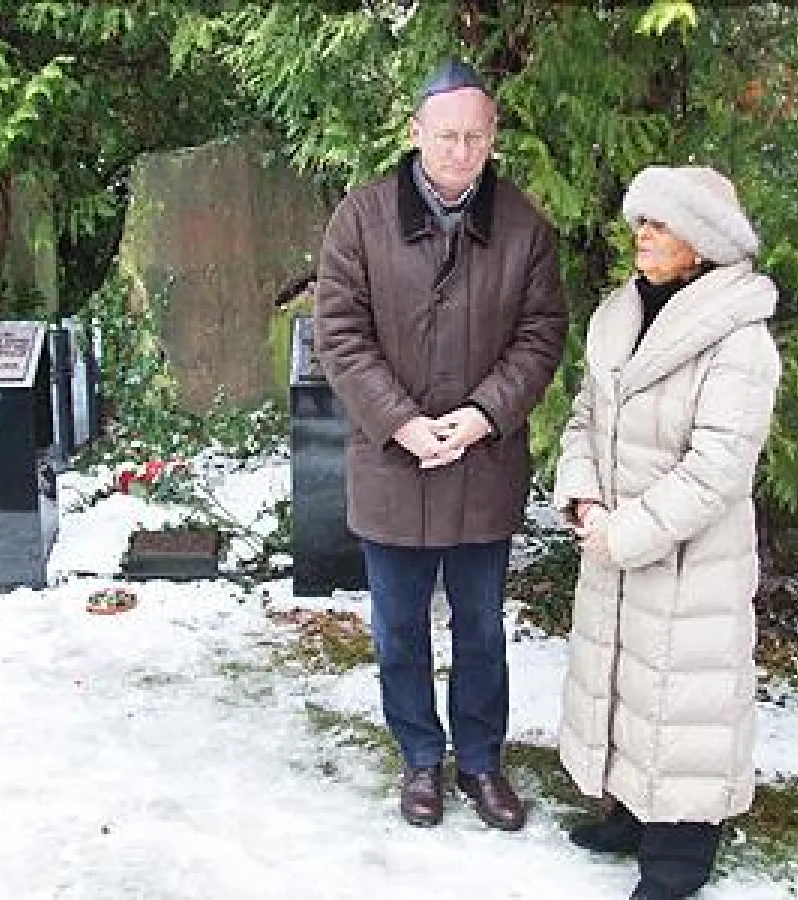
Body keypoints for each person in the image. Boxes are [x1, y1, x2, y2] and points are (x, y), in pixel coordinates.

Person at [314, 59, 567, 831]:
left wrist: (485, 414)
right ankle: (420, 758)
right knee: (397, 629)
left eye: (474, 136)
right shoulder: (359, 220)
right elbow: (341, 334)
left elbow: (540, 334)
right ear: (416, 132)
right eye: (445, 135)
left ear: (492, 139)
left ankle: (483, 763)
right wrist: (401, 421)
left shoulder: (524, 226)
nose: (459, 151)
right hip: (392, 464)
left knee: (483, 627)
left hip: (481, 465)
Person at [553, 166, 780, 899]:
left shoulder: (738, 337)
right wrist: (585, 499)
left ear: (704, 242)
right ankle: (630, 813)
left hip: (690, 561)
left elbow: (717, 469)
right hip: (616, 541)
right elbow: (586, 417)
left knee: (684, 701)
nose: (641, 235)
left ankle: (680, 856)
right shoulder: (619, 312)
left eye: (659, 223)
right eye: (640, 222)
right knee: (625, 683)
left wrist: (628, 533)